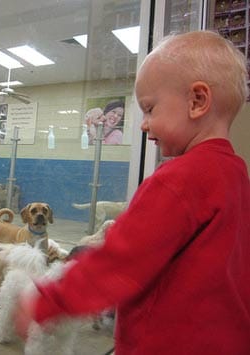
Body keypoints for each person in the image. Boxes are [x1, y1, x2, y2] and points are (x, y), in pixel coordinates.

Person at [14, 30, 250, 354]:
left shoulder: (178, 180)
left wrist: (50, 299)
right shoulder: (237, 175)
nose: (143, 124)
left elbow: (120, 261)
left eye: (150, 109)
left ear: (197, 101)